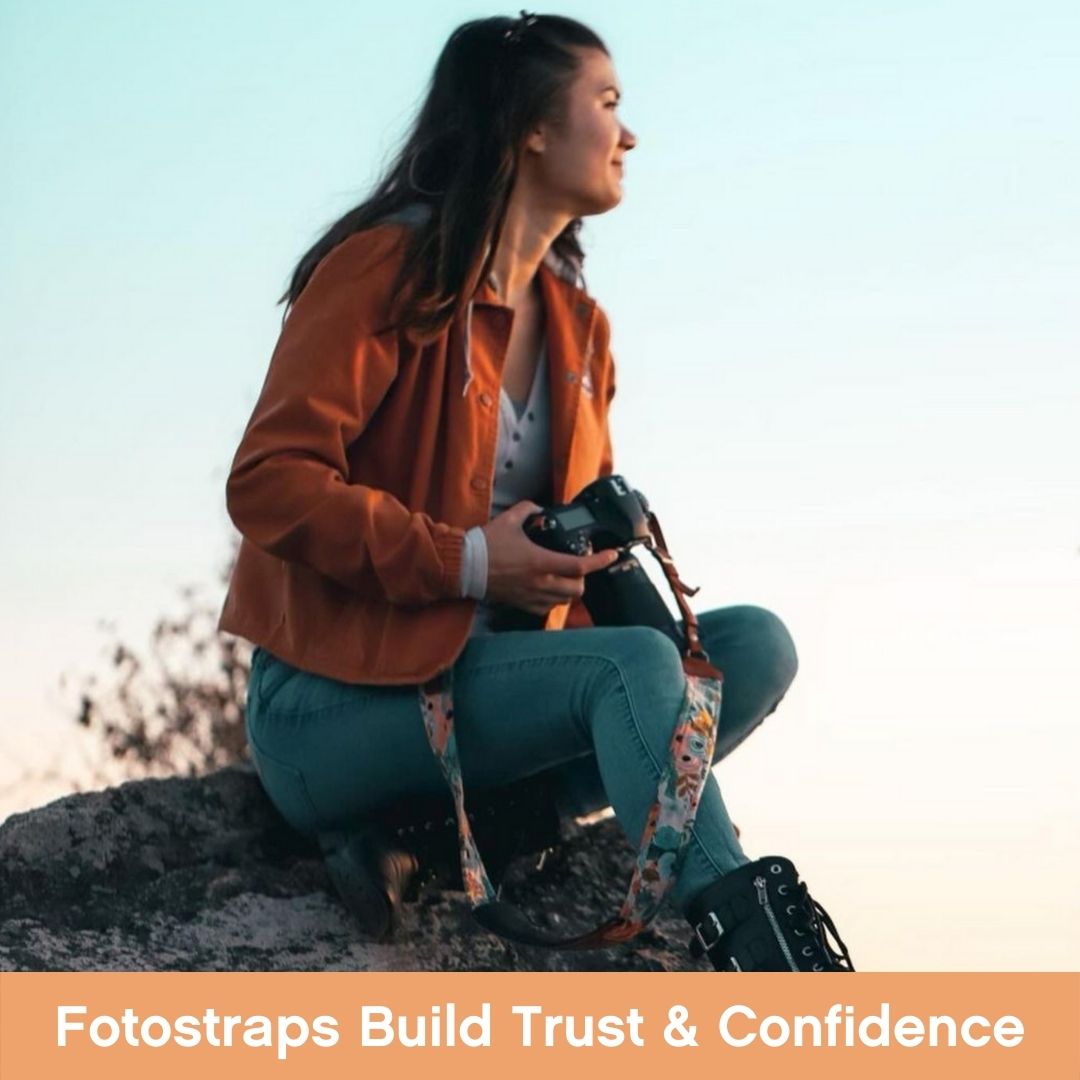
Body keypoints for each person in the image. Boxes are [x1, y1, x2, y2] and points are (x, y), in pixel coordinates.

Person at [218, 12, 853, 972]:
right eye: (607, 104)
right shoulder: (385, 270)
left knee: (751, 649)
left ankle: (449, 845)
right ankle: (755, 947)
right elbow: (269, 484)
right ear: (531, 127)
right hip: (335, 708)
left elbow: (565, 575)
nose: (629, 134)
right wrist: (473, 558)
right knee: (638, 673)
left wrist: (580, 560)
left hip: (487, 697)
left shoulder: (579, 329)